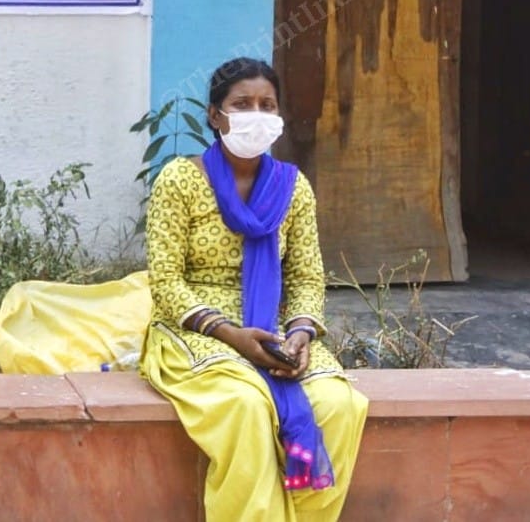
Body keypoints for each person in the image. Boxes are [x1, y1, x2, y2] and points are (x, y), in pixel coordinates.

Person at [140, 57, 368, 522]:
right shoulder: (180, 181)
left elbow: (306, 276)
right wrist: (230, 334)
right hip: (199, 330)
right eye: (242, 104)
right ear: (214, 115)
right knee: (244, 406)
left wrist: (300, 335)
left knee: (337, 403)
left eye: (268, 104)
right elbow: (165, 280)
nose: (256, 114)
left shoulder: (292, 187)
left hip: (273, 328)